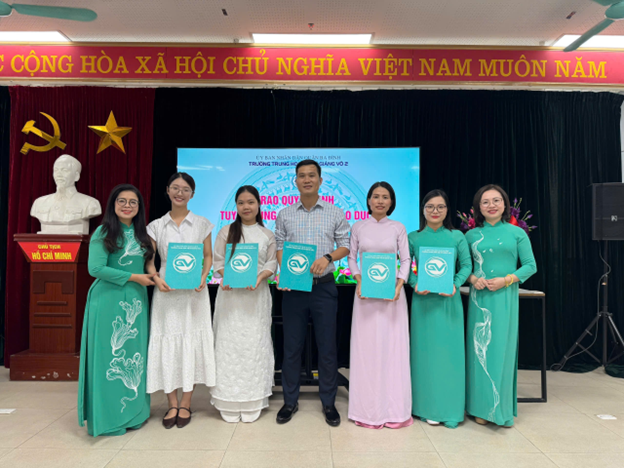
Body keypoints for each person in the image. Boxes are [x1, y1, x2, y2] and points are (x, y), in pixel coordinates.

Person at [275, 159, 350, 426]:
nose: (306, 180)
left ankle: (328, 403)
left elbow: (345, 245)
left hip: (324, 287)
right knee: (291, 347)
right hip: (294, 289)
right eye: (301, 176)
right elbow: (279, 246)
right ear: (295, 181)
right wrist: (286, 272)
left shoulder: (335, 212)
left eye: (311, 175)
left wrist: (328, 257)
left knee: (327, 348)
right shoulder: (285, 213)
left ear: (320, 180)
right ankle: (290, 402)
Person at [78, 184, 155, 437]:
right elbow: (95, 269)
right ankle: (109, 419)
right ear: (113, 204)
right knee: (108, 358)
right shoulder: (104, 231)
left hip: (135, 302)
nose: (127, 206)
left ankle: (134, 414)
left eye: (133, 202)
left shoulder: (142, 234)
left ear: (139, 207)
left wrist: (156, 278)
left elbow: (148, 266)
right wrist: (134, 277)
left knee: (135, 356)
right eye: (122, 201)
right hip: (108, 301)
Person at [145, 172, 216, 429]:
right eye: (175, 188)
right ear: (167, 190)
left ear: (192, 194)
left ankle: (186, 402)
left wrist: (204, 276)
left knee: (191, 342)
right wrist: (155, 278)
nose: (180, 193)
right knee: (168, 342)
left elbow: (208, 256)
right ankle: (171, 403)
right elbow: (150, 259)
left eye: (185, 189)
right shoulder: (156, 226)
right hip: (166, 291)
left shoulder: (202, 224)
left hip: (194, 293)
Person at [465, 184, 537, 427]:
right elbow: (463, 268)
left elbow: (530, 265)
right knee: (479, 350)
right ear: (478, 207)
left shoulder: (517, 233)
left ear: (505, 204)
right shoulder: (471, 235)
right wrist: (473, 279)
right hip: (479, 299)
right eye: (485, 202)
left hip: (505, 298)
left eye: (496, 200)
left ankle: (499, 409)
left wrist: (506, 280)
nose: (491, 205)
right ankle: (480, 408)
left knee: (500, 351)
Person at [347, 182, 413, 429]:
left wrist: (399, 284)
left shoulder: (398, 227)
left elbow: (405, 259)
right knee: (366, 350)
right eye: (376, 196)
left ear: (391, 202)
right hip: (365, 295)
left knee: (392, 349)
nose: (380, 201)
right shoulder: (358, 227)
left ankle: (394, 410)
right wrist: (358, 279)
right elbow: (352, 258)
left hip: (391, 297)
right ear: (368, 200)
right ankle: (366, 411)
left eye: (385, 197)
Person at [211, 185, 277, 423]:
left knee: (254, 344)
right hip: (230, 298)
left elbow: (271, 264)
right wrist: (225, 276)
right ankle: (227, 398)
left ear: (258, 205)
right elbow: (218, 261)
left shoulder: (267, 234)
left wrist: (260, 278)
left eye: (250, 202)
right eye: (241, 203)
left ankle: (253, 398)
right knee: (229, 344)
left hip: (256, 297)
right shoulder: (226, 232)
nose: (246, 207)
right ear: (236, 206)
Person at [408, 189, 472, 428]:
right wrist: (414, 283)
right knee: (424, 355)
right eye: (430, 207)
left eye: (440, 207)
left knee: (449, 356)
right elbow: (403, 265)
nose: (435, 211)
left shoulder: (457, 237)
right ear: (423, 210)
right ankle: (425, 407)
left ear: (447, 210)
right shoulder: (413, 237)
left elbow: (466, 265)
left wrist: (455, 284)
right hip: (423, 303)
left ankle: (450, 409)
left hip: (448, 303)